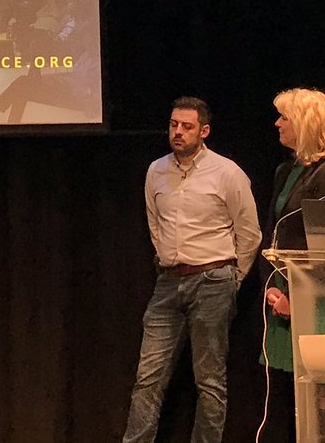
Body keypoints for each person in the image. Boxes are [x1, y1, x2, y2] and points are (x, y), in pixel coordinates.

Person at [123, 96, 262, 443]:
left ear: (204, 131)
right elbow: (155, 226)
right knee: (148, 378)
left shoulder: (227, 172)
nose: (178, 132)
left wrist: (231, 279)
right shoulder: (156, 170)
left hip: (213, 280)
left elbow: (249, 234)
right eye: (174, 125)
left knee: (209, 381)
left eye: (187, 126)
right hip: (168, 282)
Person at [258, 88, 325, 443]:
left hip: (312, 301)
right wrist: (270, 284)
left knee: (317, 398)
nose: (277, 123)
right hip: (282, 291)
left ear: (306, 124)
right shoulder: (286, 171)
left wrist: (297, 300)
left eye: (285, 117)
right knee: (289, 395)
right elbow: (274, 231)